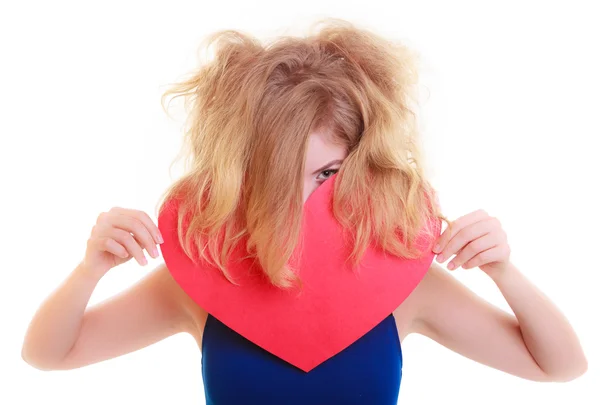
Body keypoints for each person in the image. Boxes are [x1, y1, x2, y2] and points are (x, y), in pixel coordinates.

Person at [21, 18, 587, 404]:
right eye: (273, 174)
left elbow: (559, 367)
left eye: (327, 174)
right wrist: (90, 267)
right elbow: (48, 355)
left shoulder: (404, 283)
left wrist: (503, 270)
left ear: (365, 163)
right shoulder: (202, 276)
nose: (301, 202)